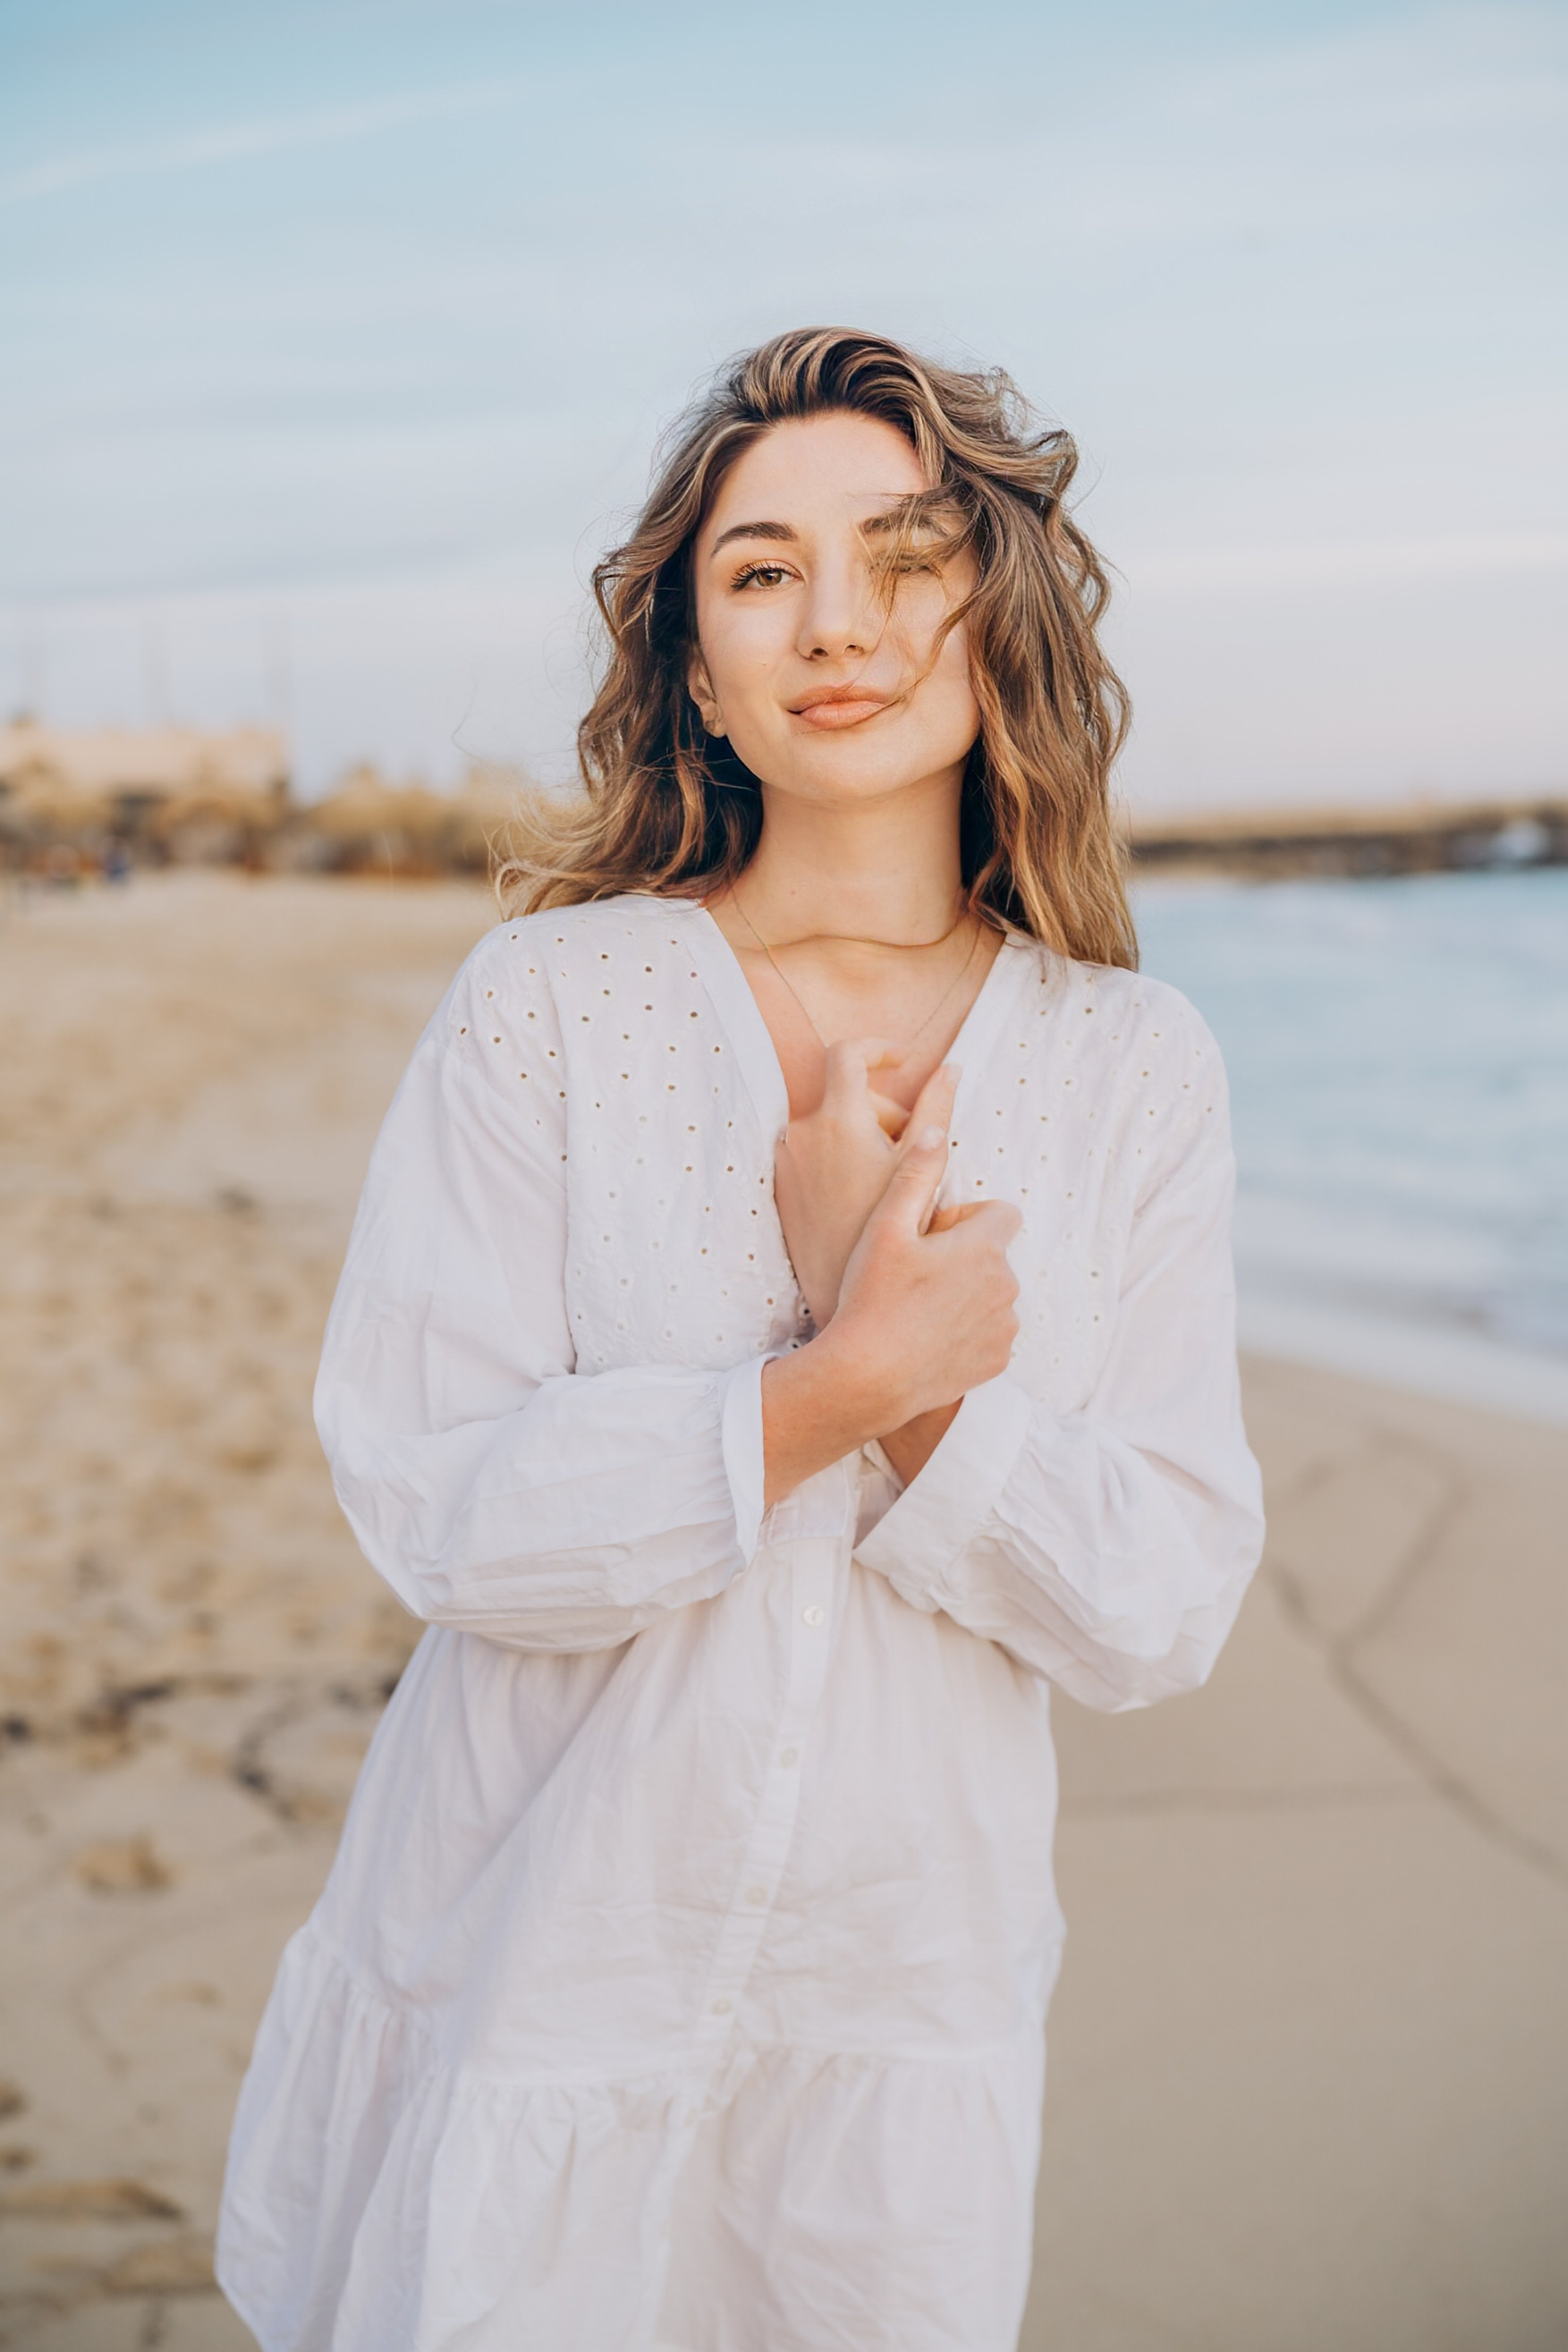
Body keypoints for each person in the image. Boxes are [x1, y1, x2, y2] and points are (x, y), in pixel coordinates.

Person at [217, 326, 1265, 2352]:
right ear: (699, 671)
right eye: (764, 572)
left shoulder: (1134, 1066)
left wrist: (925, 1404)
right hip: (535, 1977)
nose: (837, 623)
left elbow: (1159, 1607)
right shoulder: (553, 1006)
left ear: (999, 615)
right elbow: (438, 1510)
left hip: (889, 2032)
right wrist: (835, 1386)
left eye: (906, 556)